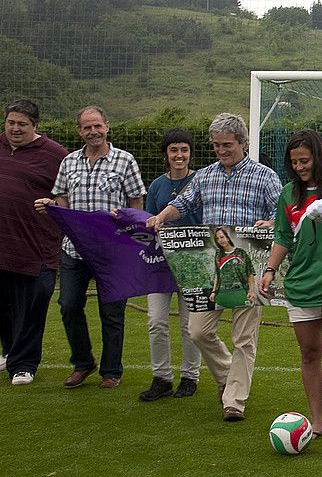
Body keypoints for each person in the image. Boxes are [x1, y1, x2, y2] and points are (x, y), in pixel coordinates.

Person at [146, 112, 281, 421]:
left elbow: (280, 210)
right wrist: (162, 217)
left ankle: (234, 400)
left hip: (250, 264)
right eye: (216, 145)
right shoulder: (205, 176)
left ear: (243, 143)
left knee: (243, 338)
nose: (221, 151)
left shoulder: (264, 175)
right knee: (197, 330)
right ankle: (227, 374)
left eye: (227, 145)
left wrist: (271, 221)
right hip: (212, 266)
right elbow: (183, 203)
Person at [259, 129, 322, 437]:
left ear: (319, 156)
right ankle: (317, 421)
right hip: (301, 282)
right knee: (309, 353)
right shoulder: (289, 194)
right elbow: (282, 235)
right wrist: (269, 270)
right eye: (293, 163)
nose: (299, 167)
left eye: (304, 160)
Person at [34, 106, 145, 390]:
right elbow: (60, 197)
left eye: (97, 126)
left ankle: (111, 371)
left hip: (112, 251)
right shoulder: (69, 162)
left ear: (107, 126)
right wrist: (53, 207)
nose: (93, 132)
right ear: (79, 131)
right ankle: (83, 363)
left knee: (111, 312)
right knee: (68, 305)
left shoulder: (125, 160)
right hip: (74, 248)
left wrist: (129, 237)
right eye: (87, 127)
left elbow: (136, 203)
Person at [1, 99, 68, 385]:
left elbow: (68, 192)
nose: (15, 129)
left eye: (22, 124)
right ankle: (10, 352)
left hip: (37, 245)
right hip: (3, 245)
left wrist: (54, 203)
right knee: (4, 304)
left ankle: (24, 365)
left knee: (34, 304)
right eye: (11, 123)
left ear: (35, 126)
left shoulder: (55, 154)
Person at [139, 128, 203, 401]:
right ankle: (161, 378)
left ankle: (190, 377)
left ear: (190, 153)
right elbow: (148, 221)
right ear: (166, 154)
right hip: (160, 263)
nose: (179, 155)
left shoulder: (201, 181)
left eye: (184, 150)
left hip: (193, 263)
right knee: (156, 321)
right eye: (174, 150)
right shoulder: (156, 186)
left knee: (191, 325)